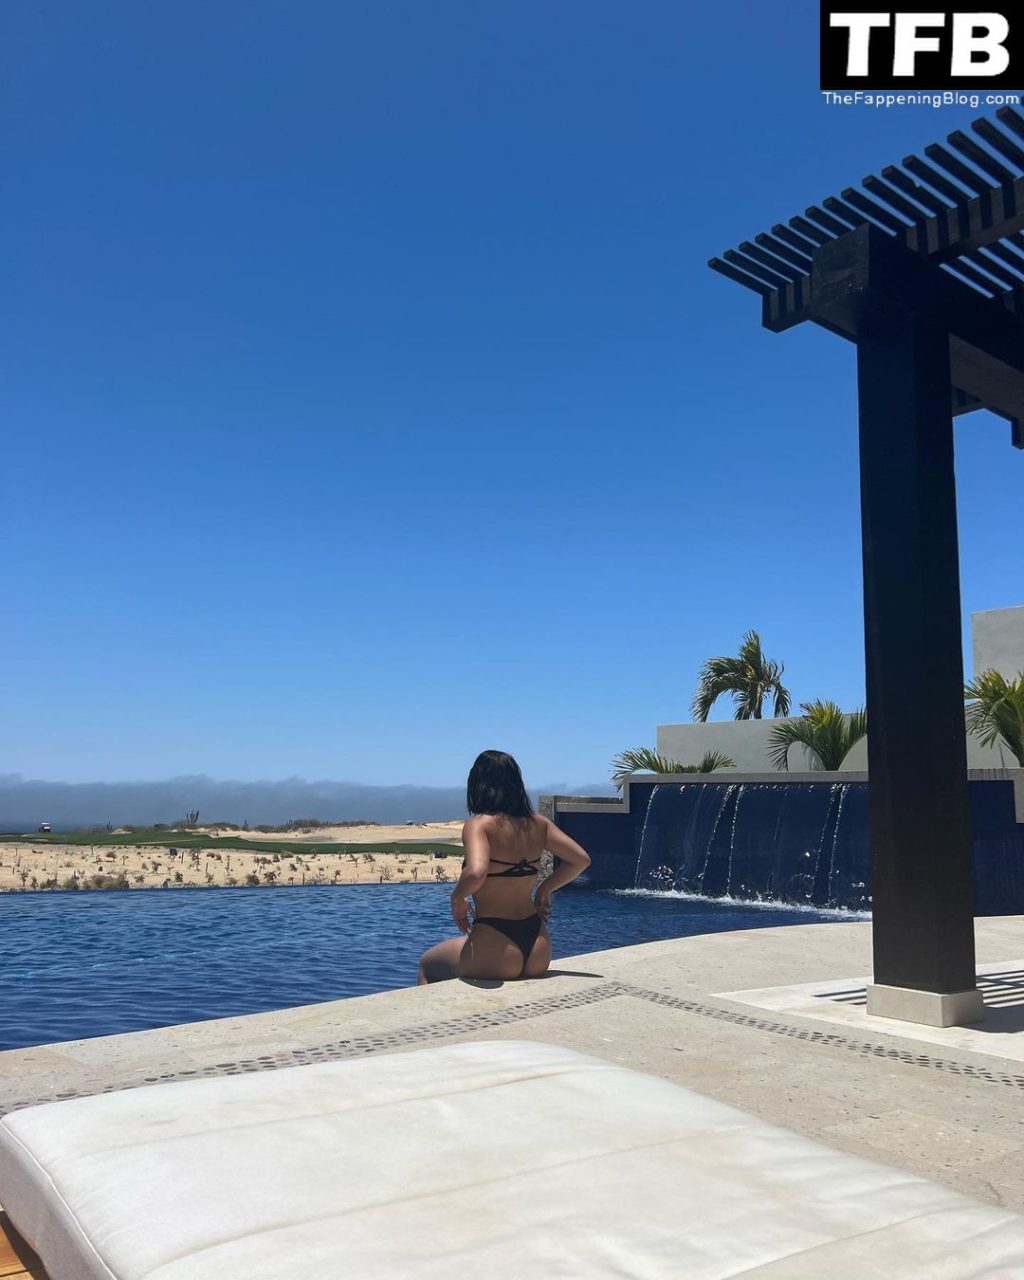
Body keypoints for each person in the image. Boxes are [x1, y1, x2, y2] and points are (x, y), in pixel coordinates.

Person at [417, 750, 591, 984]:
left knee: (427, 964)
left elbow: (476, 872)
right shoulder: (539, 823)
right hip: (538, 945)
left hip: (495, 946)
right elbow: (580, 860)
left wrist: (457, 898)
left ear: (477, 784)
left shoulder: (479, 825)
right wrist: (545, 888)